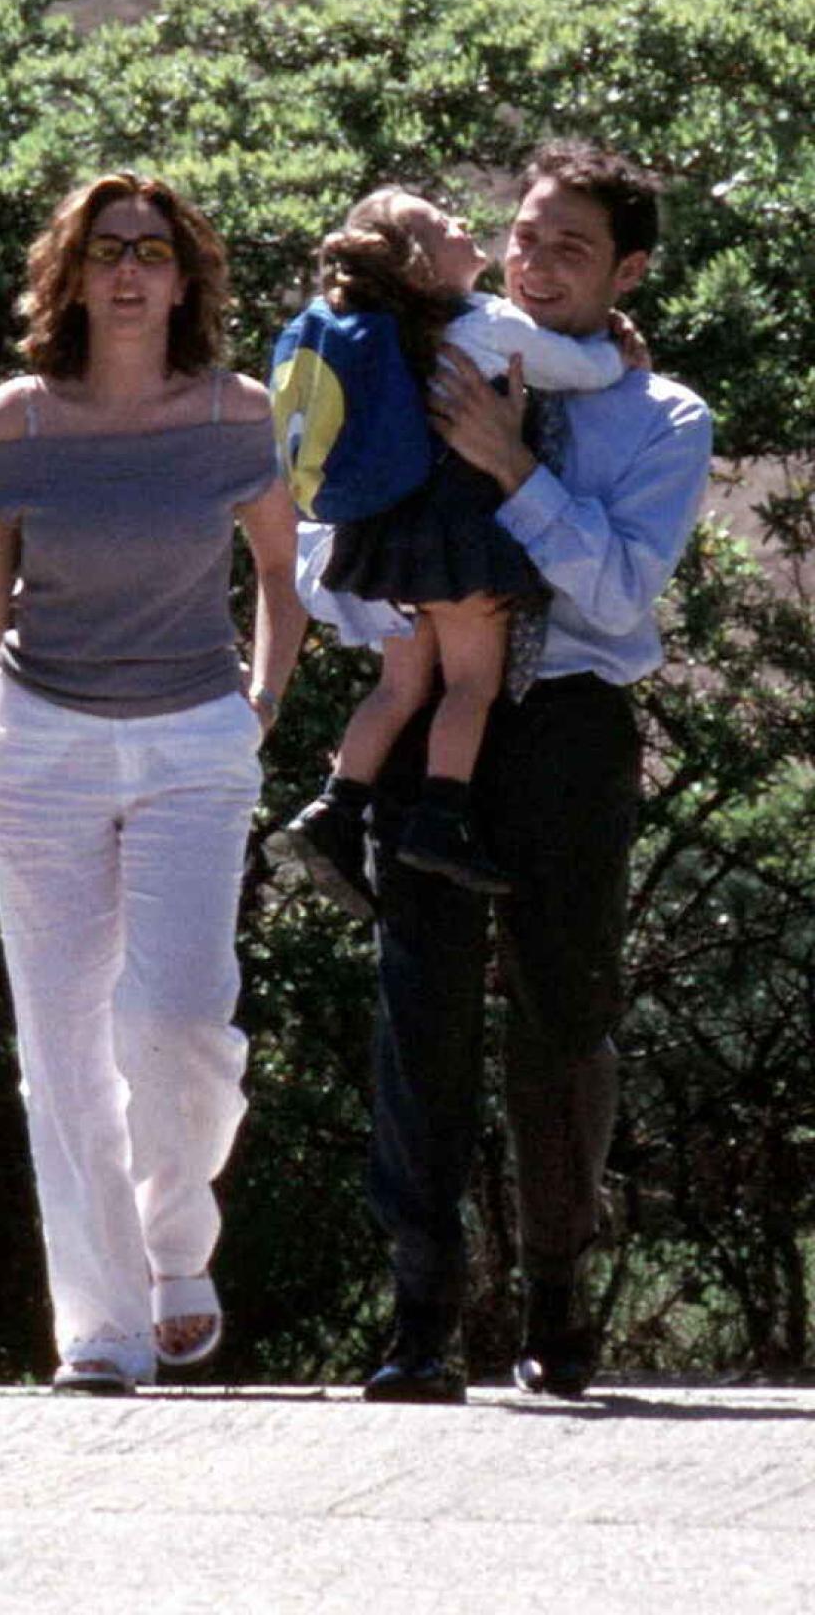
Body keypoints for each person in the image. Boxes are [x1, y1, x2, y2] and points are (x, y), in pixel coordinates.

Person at [301, 141, 712, 1403]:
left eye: (570, 250)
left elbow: (622, 593)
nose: (532, 264)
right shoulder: (419, 347)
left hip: (571, 723)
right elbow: (325, 545)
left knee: (562, 1014)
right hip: (438, 711)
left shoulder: (662, 415)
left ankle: (556, 1299)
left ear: (629, 271)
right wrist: (414, 616)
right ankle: (420, 1317)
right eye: (524, 236)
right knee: (415, 1009)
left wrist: (510, 465)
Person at [0, 171, 305, 1394]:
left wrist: (259, 709)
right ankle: (100, 1323)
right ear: (69, 277)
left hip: (195, 740)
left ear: (186, 277)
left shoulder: (236, 416)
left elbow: (284, 577)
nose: (128, 270)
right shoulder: (14, 426)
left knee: (178, 1020)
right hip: (40, 747)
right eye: (104, 251)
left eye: (152, 249)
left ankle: (176, 1248)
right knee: (66, 1042)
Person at [274, 188, 638, 914]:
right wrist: (620, 356)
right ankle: (440, 818)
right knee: (472, 680)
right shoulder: (487, 323)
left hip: (388, 536)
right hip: (460, 534)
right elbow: (578, 370)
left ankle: (335, 806)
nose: (465, 223)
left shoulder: (387, 330)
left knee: (400, 684)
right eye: (443, 226)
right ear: (420, 265)